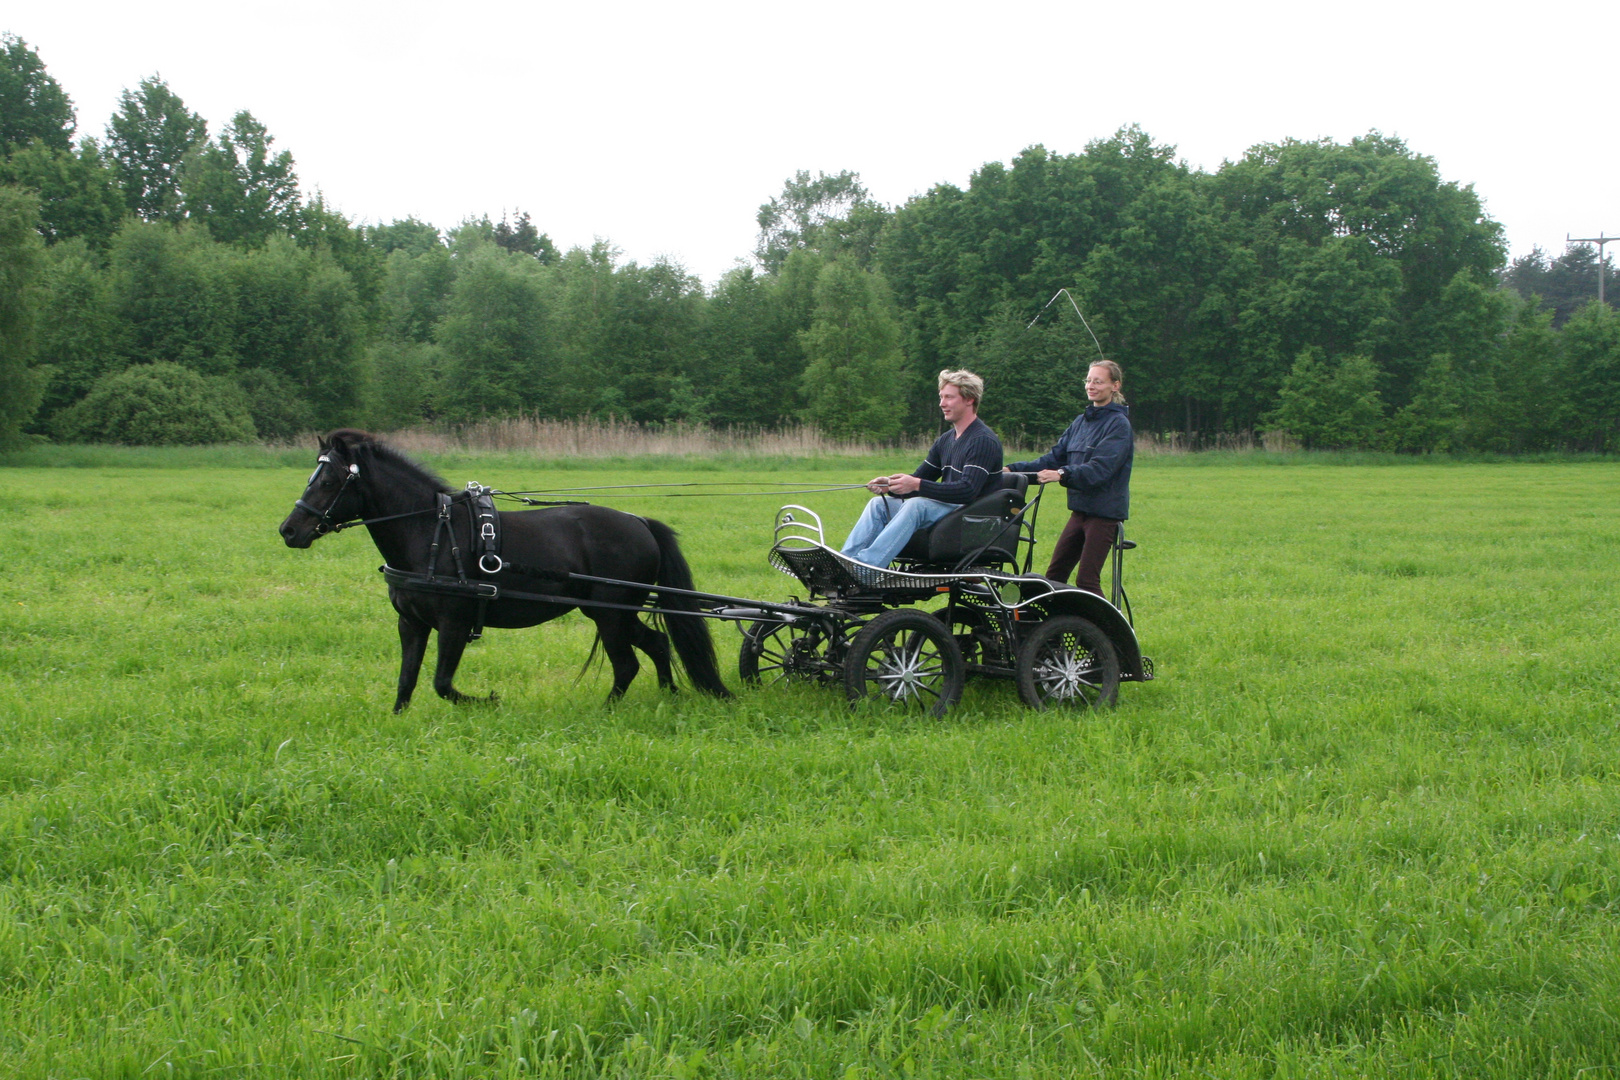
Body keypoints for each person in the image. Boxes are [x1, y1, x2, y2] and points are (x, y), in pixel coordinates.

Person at [840, 369, 1003, 570]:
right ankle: (844, 564)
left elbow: (968, 491)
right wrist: (890, 486)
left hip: (972, 516)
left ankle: (865, 569)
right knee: (878, 504)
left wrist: (915, 484)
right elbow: (919, 478)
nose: (942, 403)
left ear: (969, 400)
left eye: (949, 397)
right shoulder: (945, 440)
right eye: (941, 397)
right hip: (951, 509)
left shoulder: (983, 440)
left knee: (916, 505)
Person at [1005, 359, 1132, 597]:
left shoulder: (1118, 425)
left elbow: (1100, 469)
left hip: (1104, 515)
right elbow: (1052, 460)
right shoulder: (1080, 422)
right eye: (1088, 380)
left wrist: (1062, 474)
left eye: (1098, 381)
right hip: (1080, 512)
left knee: (1087, 581)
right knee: (1054, 577)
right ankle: (1054, 631)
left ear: (1115, 386)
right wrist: (1012, 471)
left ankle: (1106, 634)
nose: (1091, 386)